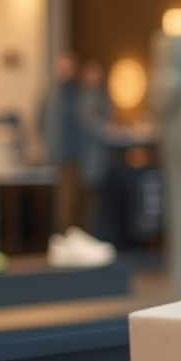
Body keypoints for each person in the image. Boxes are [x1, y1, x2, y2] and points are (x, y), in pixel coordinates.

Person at [39, 51, 82, 232]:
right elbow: (40, 121)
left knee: (69, 201)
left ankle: (65, 235)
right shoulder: (51, 93)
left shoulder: (76, 92)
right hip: (55, 154)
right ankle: (60, 236)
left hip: (71, 154)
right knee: (58, 201)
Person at [75, 60, 112, 235]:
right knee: (89, 201)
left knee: (97, 201)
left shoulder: (101, 96)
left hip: (99, 158)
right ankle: (88, 235)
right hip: (88, 157)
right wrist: (109, 129)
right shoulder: (85, 98)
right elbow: (92, 124)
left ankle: (95, 234)